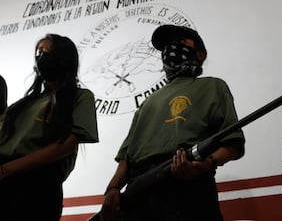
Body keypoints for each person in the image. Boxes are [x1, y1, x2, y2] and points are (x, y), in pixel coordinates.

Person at [100, 24, 245, 221]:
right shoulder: (147, 102)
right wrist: (113, 188)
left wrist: (205, 165)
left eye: (182, 41)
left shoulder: (213, 86)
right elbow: (127, 156)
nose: (174, 46)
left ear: (200, 54)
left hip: (190, 187)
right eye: (170, 43)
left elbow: (233, 144)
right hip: (141, 191)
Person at [0, 34, 99, 220]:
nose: (41, 57)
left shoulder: (80, 97)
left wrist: (7, 170)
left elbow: (66, 145)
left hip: (37, 187)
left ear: (64, 57)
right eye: (39, 52)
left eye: (47, 52)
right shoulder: (22, 105)